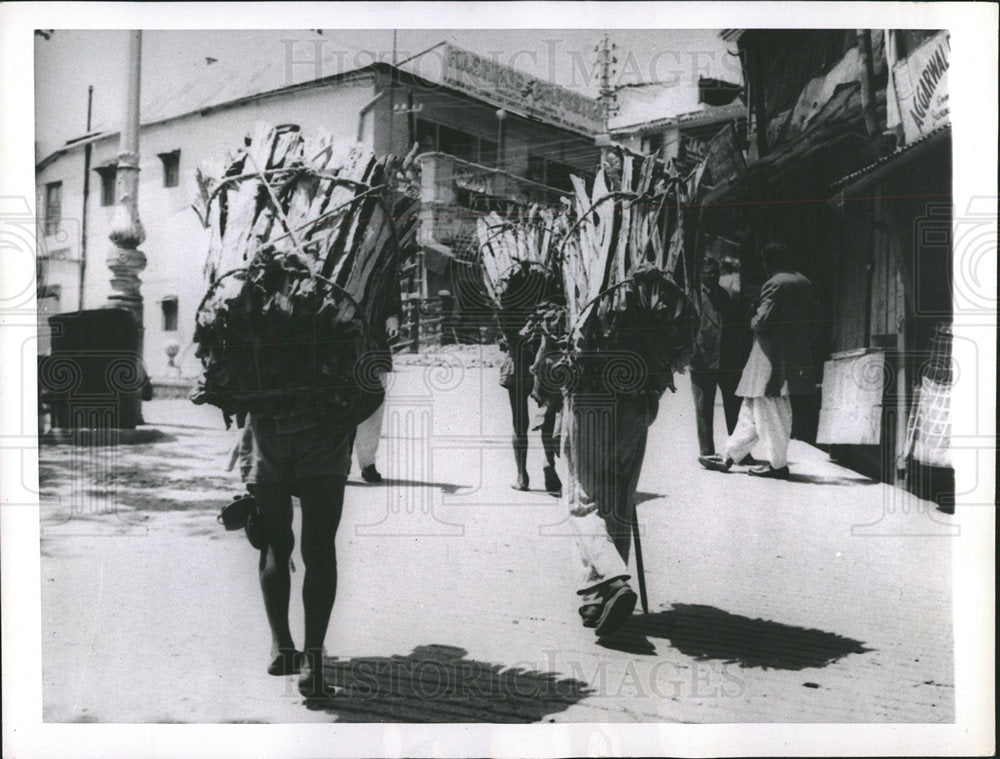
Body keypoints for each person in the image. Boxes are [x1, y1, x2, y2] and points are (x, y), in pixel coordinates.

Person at [698, 240, 819, 479]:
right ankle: (730, 456)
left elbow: (763, 321)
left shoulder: (775, 283)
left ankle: (778, 465)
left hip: (770, 358)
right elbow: (816, 319)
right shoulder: (804, 282)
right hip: (792, 354)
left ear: (770, 261)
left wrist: (752, 318)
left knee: (770, 410)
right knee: (752, 409)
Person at [689, 257, 748, 461]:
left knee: (734, 405)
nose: (712, 276)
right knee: (704, 406)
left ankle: (738, 452)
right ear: (700, 274)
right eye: (708, 272)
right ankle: (707, 452)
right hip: (702, 358)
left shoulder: (726, 295)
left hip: (726, 359)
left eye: (715, 272)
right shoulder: (693, 295)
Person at [352, 275, 402, 483]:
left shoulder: (386, 270)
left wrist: (393, 319)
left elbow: (393, 304)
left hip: (374, 347)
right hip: (342, 347)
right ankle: (341, 461)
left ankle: (368, 462)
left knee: (373, 407)